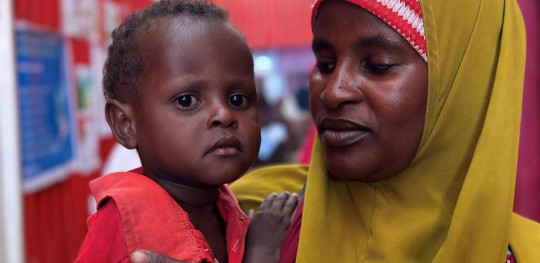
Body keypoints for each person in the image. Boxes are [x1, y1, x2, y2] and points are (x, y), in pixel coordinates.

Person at [132, 0, 540, 262]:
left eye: (377, 64)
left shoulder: (526, 251)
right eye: (324, 63)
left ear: (464, 86)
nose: (333, 90)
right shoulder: (241, 216)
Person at [74, 1, 297, 263]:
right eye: (187, 101)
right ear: (126, 124)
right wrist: (262, 254)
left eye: (238, 100)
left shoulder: (225, 206)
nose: (224, 114)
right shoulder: (127, 226)